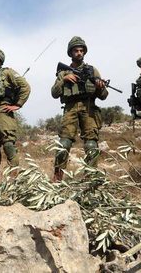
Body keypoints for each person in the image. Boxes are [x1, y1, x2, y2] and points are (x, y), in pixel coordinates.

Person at [50, 36, 108, 180]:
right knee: (63, 144)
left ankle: (90, 178)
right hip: (70, 109)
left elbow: (104, 95)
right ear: (70, 53)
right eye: (76, 50)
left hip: (89, 108)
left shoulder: (92, 71)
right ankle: (57, 179)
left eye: (81, 50)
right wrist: (63, 79)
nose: (79, 53)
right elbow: (54, 93)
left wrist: (100, 87)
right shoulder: (63, 72)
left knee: (91, 145)